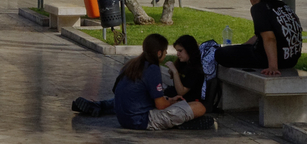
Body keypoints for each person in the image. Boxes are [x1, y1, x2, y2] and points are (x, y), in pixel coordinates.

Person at [73, 34, 208, 130]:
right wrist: (169, 102)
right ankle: (180, 123)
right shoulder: (153, 69)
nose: (168, 54)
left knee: (172, 102)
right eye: (166, 51)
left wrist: (170, 100)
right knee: (199, 107)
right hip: (140, 120)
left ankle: (98, 105)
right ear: (159, 53)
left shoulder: (133, 64)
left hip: (123, 116)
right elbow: (160, 105)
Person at [214, 0, 302, 75]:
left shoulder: (259, 8)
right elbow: (263, 34)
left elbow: (269, 38)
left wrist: (273, 66)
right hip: (290, 60)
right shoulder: (283, 6)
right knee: (239, 49)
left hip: (272, 59)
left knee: (220, 53)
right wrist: (243, 47)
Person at [165, 34, 206, 104]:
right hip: (173, 90)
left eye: (180, 51)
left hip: (186, 100)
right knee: (158, 70)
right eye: (177, 51)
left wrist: (175, 72)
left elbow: (181, 92)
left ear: (189, 50)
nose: (178, 54)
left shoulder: (195, 69)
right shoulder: (184, 63)